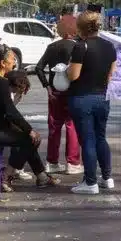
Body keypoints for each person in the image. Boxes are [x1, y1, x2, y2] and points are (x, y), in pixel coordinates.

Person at [0, 46, 56, 190]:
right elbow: (11, 111)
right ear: (3, 63)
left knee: (27, 137)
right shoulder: (0, 82)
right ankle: (6, 177)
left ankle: (41, 176)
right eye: (12, 59)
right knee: (28, 140)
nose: (14, 62)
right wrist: (29, 130)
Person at [67, 11, 118, 195]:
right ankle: (107, 177)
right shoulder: (109, 46)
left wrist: (65, 70)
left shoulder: (81, 47)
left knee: (87, 140)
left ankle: (90, 182)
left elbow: (73, 75)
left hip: (82, 97)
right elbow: (111, 74)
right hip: (103, 97)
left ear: (80, 28)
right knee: (100, 137)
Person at [34, 13, 82, 175]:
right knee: (72, 125)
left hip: (54, 91)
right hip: (73, 91)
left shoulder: (52, 47)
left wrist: (47, 86)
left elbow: (38, 68)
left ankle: (52, 162)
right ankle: (72, 163)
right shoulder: (78, 47)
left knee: (54, 127)